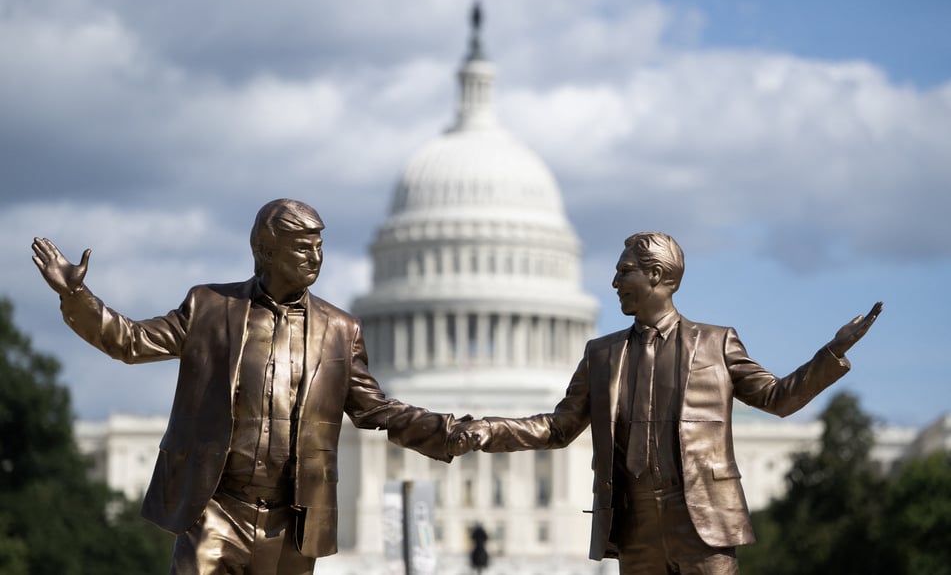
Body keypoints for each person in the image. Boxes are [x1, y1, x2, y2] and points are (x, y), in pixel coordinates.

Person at [32, 199, 469, 575]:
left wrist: (477, 432)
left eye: (319, 247)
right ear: (265, 252)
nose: (315, 258)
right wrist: (77, 295)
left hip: (290, 526)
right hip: (217, 511)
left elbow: (382, 413)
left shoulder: (340, 330)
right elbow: (129, 341)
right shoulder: (209, 308)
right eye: (302, 248)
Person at [451, 231, 882, 575]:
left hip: (701, 518)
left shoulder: (716, 343)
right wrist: (487, 429)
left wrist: (831, 354)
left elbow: (778, 398)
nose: (615, 283)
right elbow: (558, 428)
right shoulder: (601, 354)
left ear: (656, 276)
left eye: (625, 273)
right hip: (634, 520)